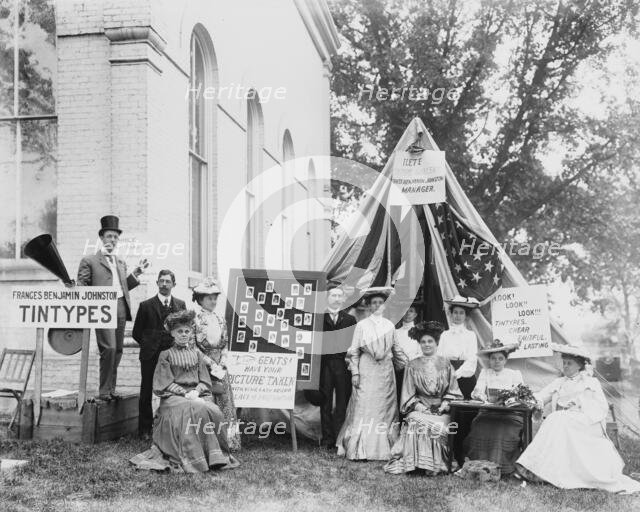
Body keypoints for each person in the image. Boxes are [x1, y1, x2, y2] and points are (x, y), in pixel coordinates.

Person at [516, 344, 640, 493]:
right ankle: (538, 470)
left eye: (570, 363)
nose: (566, 366)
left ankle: (551, 472)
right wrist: (529, 398)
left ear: (579, 365)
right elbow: (542, 396)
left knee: (557, 419)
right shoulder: (559, 382)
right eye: (564, 363)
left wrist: (580, 404)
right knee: (556, 419)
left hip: (585, 422)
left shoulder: (590, 382)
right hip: (563, 421)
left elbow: (601, 407)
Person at [130, 310, 239, 473]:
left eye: (187, 331)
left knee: (214, 410)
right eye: (179, 331)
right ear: (172, 333)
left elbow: (204, 380)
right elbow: (164, 383)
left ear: (191, 333)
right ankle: (195, 459)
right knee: (195, 408)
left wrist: (196, 391)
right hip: (172, 398)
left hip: (196, 394)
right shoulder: (165, 355)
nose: (183, 335)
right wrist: (184, 393)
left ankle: (215, 456)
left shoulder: (197, 354)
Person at [77, 215, 145, 400]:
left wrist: (136, 274)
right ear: (101, 238)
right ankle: (104, 391)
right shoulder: (90, 260)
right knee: (109, 348)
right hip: (102, 308)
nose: (112, 240)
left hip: (121, 306)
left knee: (119, 349)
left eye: (115, 237)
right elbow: (81, 285)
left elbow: (123, 287)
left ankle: (111, 390)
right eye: (109, 236)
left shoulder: (120, 262)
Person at [336, 287, 407, 461]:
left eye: (380, 302)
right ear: (368, 306)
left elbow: (397, 350)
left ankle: (386, 449)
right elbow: (354, 351)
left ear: (385, 306)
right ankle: (359, 449)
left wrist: (409, 366)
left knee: (384, 409)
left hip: (385, 373)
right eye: (374, 302)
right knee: (363, 406)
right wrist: (355, 373)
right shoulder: (361, 325)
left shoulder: (390, 325)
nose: (377, 305)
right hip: (366, 369)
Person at [384, 321, 462, 475]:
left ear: (436, 343)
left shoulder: (446, 363)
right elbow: (408, 395)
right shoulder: (412, 365)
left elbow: (454, 391)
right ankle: (417, 464)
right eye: (423, 342)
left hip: (441, 411)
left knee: (437, 424)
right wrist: (422, 408)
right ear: (419, 344)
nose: (427, 345)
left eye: (430, 341)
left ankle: (434, 466)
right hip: (419, 408)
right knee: (414, 420)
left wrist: (443, 406)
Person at [132, 270, 186, 438]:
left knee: (175, 388)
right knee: (147, 390)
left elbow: (185, 329)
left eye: (167, 281)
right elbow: (136, 333)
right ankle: (145, 430)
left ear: (173, 285)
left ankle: (172, 427)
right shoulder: (145, 306)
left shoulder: (180, 305)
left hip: (173, 355)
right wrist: (150, 344)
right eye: (161, 281)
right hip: (150, 355)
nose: (164, 284)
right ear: (157, 283)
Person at [192, 277, 241, 451]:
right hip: (203, 368)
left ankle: (228, 442)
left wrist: (223, 361)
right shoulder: (195, 320)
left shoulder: (221, 319)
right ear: (200, 299)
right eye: (209, 298)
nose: (213, 301)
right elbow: (193, 346)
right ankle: (208, 444)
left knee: (225, 403)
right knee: (208, 404)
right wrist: (210, 363)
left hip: (221, 368)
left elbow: (225, 344)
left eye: (215, 298)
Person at [463, 339, 523, 476]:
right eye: (493, 358)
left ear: (505, 360)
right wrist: (481, 396)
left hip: (510, 414)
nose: (497, 361)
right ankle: (479, 465)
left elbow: (520, 395)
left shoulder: (514, 374)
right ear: (489, 360)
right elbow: (477, 390)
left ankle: (503, 466)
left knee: (502, 428)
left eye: (500, 358)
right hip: (488, 412)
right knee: (480, 424)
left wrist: (509, 400)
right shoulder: (485, 373)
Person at [319, 284, 358, 449]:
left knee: (342, 403)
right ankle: (327, 439)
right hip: (325, 365)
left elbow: (354, 344)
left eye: (338, 296)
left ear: (343, 299)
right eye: (333, 295)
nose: (336, 299)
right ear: (327, 298)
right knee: (325, 403)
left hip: (343, 366)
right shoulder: (319, 318)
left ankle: (340, 440)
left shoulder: (350, 320)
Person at [437, 295, 480, 399]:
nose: (458, 315)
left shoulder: (471, 335)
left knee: (466, 407)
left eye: (461, 313)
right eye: (455, 312)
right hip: (447, 377)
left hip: (465, 377)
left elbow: (472, 358)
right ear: (451, 314)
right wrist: (448, 374)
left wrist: (457, 374)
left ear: (466, 315)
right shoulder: (444, 335)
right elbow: (439, 356)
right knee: (447, 405)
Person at [394, 305, 423, 409]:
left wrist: (410, 362)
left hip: (413, 369)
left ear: (415, 315)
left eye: (410, 311)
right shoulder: (395, 332)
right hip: (398, 369)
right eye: (405, 311)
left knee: (411, 396)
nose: (407, 313)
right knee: (397, 394)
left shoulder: (420, 332)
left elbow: (421, 351)